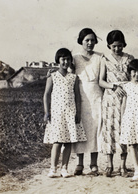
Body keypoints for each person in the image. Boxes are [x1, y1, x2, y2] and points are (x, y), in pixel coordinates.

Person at [43, 48, 87, 178]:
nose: (66, 62)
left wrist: (78, 113)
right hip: (57, 114)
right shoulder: (52, 76)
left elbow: (78, 97)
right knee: (57, 142)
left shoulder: (74, 78)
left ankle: (64, 168)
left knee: (68, 142)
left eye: (68, 59)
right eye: (63, 59)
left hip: (70, 113)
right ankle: (53, 168)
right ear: (58, 60)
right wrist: (46, 112)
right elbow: (46, 95)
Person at [99, 30, 134, 177]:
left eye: (119, 46)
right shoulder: (104, 59)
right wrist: (114, 86)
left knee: (123, 131)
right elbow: (101, 81)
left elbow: (134, 78)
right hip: (110, 98)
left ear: (123, 44)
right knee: (110, 131)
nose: (117, 49)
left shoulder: (130, 58)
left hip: (126, 98)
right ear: (109, 46)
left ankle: (123, 167)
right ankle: (109, 166)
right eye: (114, 46)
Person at [71, 28, 104, 176]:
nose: (90, 43)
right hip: (81, 98)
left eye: (92, 40)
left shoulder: (100, 57)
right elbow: (67, 74)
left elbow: (104, 78)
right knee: (81, 129)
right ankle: (79, 164)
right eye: (87, 40)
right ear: (81, 42)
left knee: (95, 130)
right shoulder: (75, 58)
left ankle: (94, 164)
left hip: (97, 97)